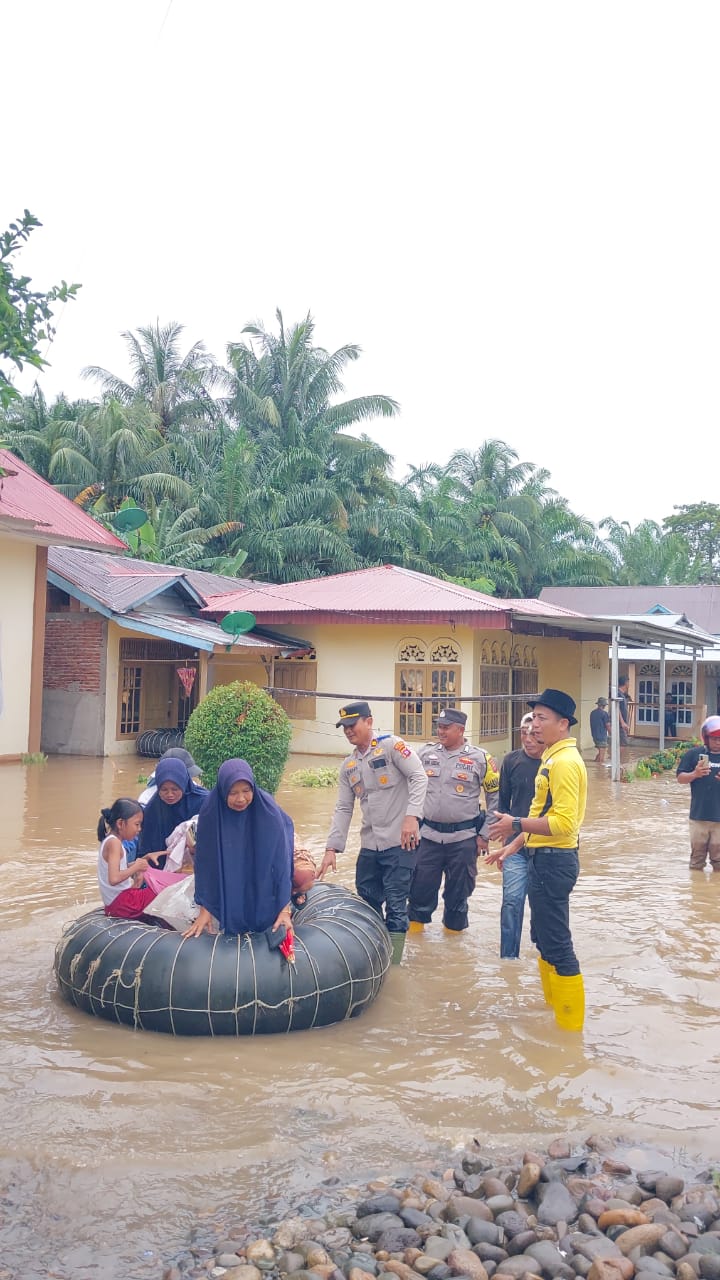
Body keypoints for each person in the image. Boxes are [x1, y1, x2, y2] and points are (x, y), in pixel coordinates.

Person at [487, 688, 587, 1032]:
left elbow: (563, 823)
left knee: (557, 944)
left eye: (543, 719)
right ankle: (555, 1014)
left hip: (554, 861)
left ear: (563, 724)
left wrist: (514, 823)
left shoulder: (564, 763)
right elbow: (540, 815)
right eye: (534, 718)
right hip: (541, 857)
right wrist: (512, 846)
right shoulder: (551, 758)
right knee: (542, 939)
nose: (535, 726)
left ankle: (570, 1034)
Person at [318, 700, 428, 965]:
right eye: (343, 727)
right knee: (366, 897)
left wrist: (412, 817)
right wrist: (331, 848)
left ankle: (394, 968)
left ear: (369, 721)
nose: (347, 731)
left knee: (396, 904)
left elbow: (419, 776)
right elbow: (344, 807)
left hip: (401, 842)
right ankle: (376, 956)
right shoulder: (349, 766)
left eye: (352, 724)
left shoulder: (392, 747)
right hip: (370, 844)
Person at [407, 708, 499, 934]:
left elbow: (495, 798)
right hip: (427, 837)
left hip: (464, 840)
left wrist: (484, 835)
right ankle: (416, 951)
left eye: (446, 727)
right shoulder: (425, 754)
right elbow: (408, 787)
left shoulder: (481, 758)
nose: (440, 731)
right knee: (418, 894)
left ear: (460, 730)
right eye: (439, 726)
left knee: (458, 898)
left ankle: (455, 953)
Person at [184, 759, 294, 938]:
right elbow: (206, 865)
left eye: (246, 791)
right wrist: (205, 909)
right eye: (233, 793)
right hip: (230, 867)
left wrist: (284, 909)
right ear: (222, 792)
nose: (241, 799)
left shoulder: (268, 812)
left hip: (261, 865)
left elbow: (281, 862)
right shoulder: (211, 812)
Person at [491, 711, 543, 958]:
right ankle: (508, 959)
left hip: (545, 846)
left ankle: (541, 952)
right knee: (511, 902)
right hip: (515, 846)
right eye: (524, 734)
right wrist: (504, 847)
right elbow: (503, 807)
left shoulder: (554, 764)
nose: (528, 739)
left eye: (534, 734)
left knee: (541, 905)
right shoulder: (511, 761)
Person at [137, 757, 208, 868]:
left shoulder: (205, 803)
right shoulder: (152, 810)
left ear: (183, 785)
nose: (170, 794)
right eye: (164, 790)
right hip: (163, 870)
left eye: (175, 789)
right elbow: (143, 849)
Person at [97, 799, 159, 919]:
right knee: (162, 891)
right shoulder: (114, 843)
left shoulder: (110, 840)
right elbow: (114, 878)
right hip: (121, 904)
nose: (139, 829)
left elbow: (119, 868)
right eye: (137, 824)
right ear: (120, 824)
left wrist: (143, 860)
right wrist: (136, 867)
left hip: (115, 903)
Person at [677, 715, 720, 871]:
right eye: (714, 738)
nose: (718, 742)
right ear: (706, 738)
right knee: (696, 862)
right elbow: (680, 778)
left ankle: (713, 895)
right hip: (698, 817)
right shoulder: (693, 754)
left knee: (719, 862)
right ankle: (697, 893)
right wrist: (694, 774)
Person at [590, 697, 611, 764]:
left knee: (600, 753)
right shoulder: (604, 714)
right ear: (604, 705)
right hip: (602, 736)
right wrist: (611, 734)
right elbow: (607, 725)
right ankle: (600, 771)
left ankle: (595, 765)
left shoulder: (592, 713)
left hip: (594, 736)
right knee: (601, 759)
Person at [617, 675, 631, 760]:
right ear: (626, 683)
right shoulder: (618, 694)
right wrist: (622, 722)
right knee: (623, 743)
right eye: (629, 682)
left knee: (622, 743)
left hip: (622, 724)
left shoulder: (622, 695)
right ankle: (615, 762)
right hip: (620, 724)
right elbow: (616, 708)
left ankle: (616, 762)